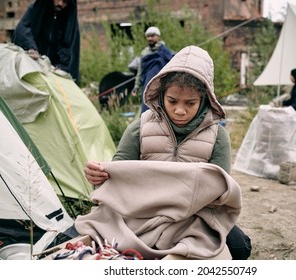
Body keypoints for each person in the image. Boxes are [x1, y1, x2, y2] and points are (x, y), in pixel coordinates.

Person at [85, 45, 252, 260]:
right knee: (89, 235)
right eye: (172, 101)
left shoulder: (217, 137)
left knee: (240, 248)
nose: (180, 110)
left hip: (195, 216)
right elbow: (117, 177)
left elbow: (219, 190)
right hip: (141, 211)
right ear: (161, 94)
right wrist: (97, 176)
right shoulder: (140, 128)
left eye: (190, 103)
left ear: (204, 100)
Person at [12, 0, 80, 85]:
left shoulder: (70, 21)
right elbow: (22, 30)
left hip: (55, 72)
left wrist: (61, 67)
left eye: (65, 2)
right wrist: (31, 47)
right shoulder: (36, 9)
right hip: (33, 63)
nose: (60, 4)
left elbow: (70, 48)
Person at [131, 26, 173, 113]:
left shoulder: (165, 52)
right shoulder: (144, 53)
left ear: (158, 36)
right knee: (147, 111)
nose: (150, 38)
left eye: (152, 36)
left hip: (163, 86)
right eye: (148, 36)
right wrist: (136, 86)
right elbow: (140, 72)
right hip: (147, 86)